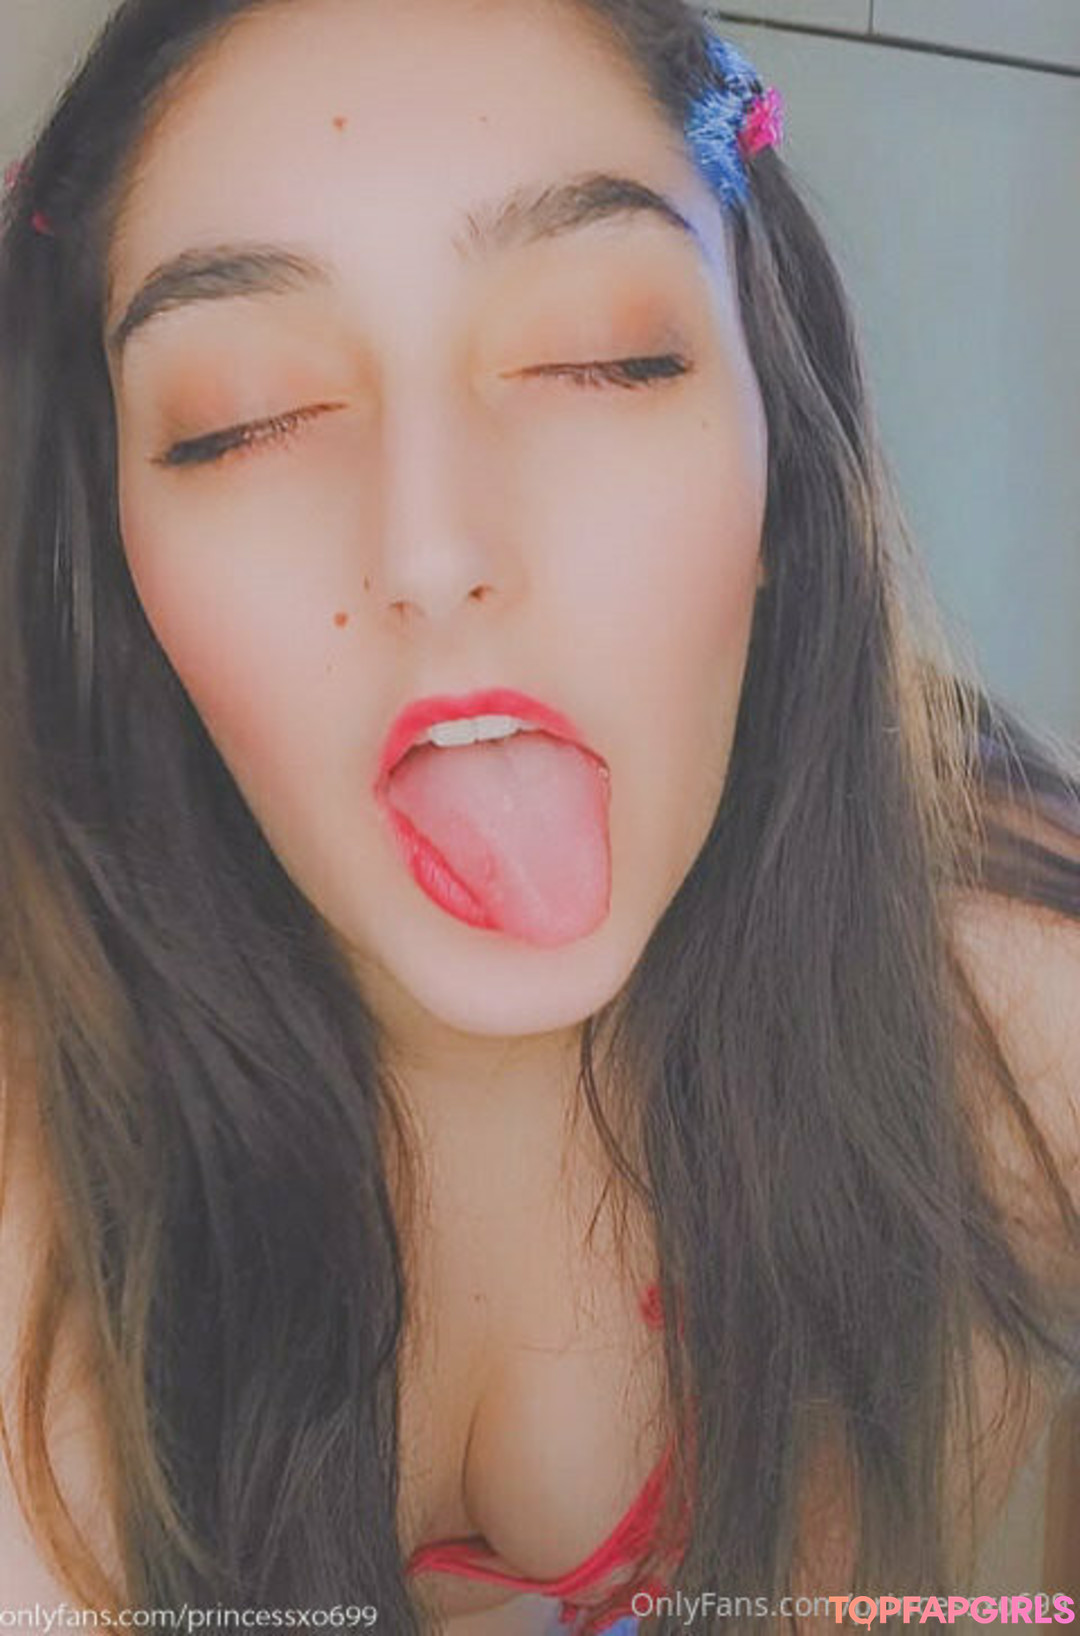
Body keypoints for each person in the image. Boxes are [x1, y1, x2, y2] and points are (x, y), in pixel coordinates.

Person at [0, 0, 1078, 1632]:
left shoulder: (1006, 1008)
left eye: (603, 356)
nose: (432, 548)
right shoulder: (45, 1223)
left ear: (784, 459)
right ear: (121, 572)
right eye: (240, 417)